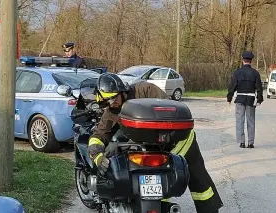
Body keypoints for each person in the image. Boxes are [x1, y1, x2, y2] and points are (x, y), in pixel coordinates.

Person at [87, 73, 224, 213]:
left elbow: (170, 108)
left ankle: (209, 210)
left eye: (114, 98)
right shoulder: (111, 111)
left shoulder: (144, 90)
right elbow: (99, 135)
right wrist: (97, 154)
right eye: (107, 102)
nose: (112, 103)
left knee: (198, 178)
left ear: (122, 90)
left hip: (179, 141)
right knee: (154, 181)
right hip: (152, 148)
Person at [227, 51, 263, 148]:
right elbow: (259, 87)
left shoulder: (237, 72)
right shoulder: (255, 73)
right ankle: (251, 142)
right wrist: (259, 99)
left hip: (240, 98)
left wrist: (229, 98)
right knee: (251, 120)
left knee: (240, 120)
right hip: (251, 99)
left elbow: (232, 86)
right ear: (251, 61)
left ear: (243, 60)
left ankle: (241, 142)